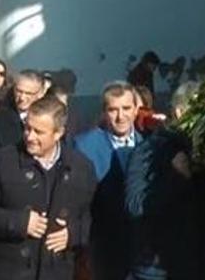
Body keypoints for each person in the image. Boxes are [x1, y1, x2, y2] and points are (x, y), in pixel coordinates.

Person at [0, 97, 97, 280]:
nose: (30, 137)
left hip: (58, 270)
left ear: (58, 133)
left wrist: (74, 234)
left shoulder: (81, 168)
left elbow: (94, 216)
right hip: (8, 270)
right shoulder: (3, 161)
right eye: (27, 128)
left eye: (39, 132)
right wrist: (19, 222)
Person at [124, 83, 199, 279]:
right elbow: (136, 205)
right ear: (180, 111)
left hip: (201, 264)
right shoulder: (149, 150)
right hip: (157, 268)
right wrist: (175, 176)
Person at [74, 81, 143, 280]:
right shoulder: (84, 145)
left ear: (137, 109)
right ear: (104, 112)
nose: (121, 116)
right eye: (113, 110)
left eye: (126, 108)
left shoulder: (148, 144)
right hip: (102, 243)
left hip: (139, 244)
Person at [0, 70, 43, 163]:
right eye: (19, 91)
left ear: (40, 94)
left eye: (28, 93)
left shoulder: (48, 119)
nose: (22, 98)